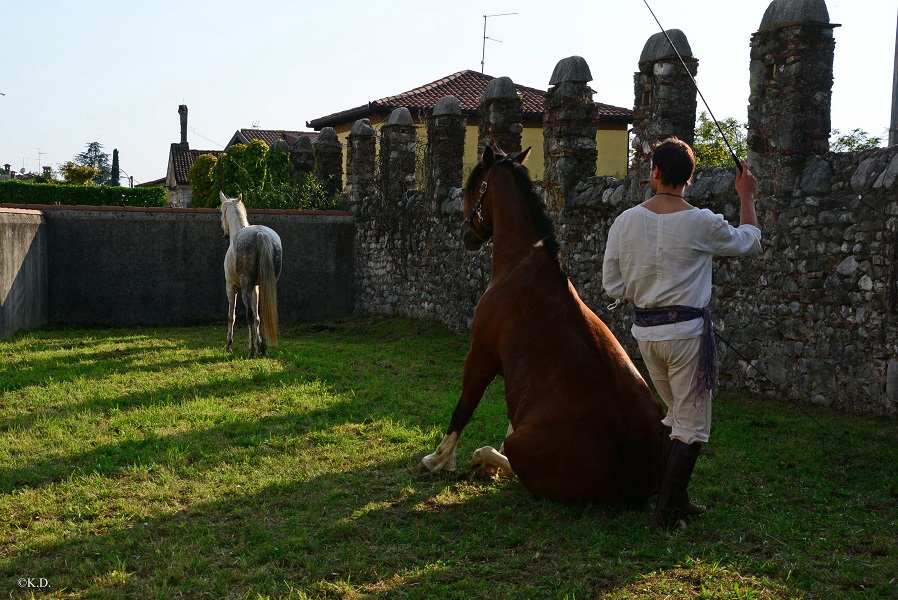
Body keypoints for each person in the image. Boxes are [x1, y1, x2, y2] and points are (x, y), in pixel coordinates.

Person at [602, 137, 761, 529]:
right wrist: (746, 196)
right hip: (687, 335)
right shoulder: (701, 221)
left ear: (654, 173)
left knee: (678, 415)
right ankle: (666, 512)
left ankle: (676, 498)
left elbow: (613, 286)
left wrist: (645, 289)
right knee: (691, 424)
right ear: (690, 177)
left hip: (647, 334)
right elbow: (749, 242)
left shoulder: (624, 222)